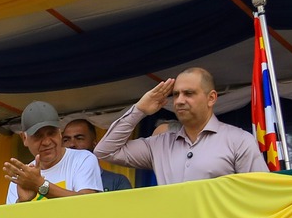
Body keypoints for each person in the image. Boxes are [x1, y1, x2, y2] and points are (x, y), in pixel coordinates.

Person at [96, 69, 265, 183]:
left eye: (189, 93)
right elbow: (105, 151)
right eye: (176, 95)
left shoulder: (239, 140)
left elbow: (259, 193)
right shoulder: (159, 144)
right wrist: (139, 110)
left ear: (211, 98)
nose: (179, 101)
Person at [3, 101, 104, 204]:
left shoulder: (83, 159)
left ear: (60, 132)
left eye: (51, 133)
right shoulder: (22, 177)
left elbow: (88, 203)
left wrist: (41, 186)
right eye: (38, 136)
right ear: (24, 138)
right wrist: (23, 201)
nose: (47, 142)